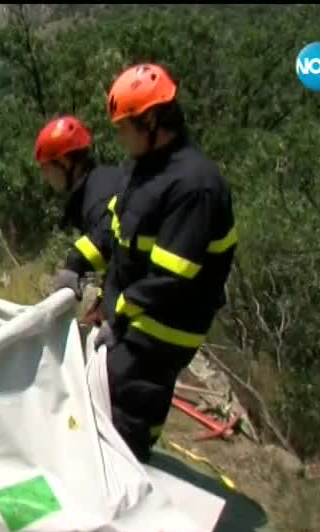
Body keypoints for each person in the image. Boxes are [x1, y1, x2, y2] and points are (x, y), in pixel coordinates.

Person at [98, 63, 238, 463]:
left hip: (163, 328)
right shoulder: (143, 168)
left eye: (125, 125)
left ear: (153, 121)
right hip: (133, 315)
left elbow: (171, 278)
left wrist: (119, 312)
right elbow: (119, 231)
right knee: (105, 399)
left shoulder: (195, 185)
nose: (120, 135)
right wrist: (90, 282)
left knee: (128, 412)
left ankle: (129, 491)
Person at [36, 115, 121, 323]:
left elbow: (108, 240)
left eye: (46, 168)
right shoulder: (96, 184)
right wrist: (103, 302)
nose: (45, 177)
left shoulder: (96, 198)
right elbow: (118, 263)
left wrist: (75, 263)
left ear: (64, 162)